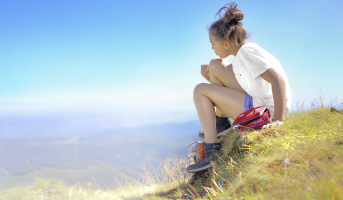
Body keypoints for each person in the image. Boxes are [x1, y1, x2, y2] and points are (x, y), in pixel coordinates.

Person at [186, 2, 292, 173]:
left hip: (264, 112)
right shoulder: (244, 52)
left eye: (213, 43)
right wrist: (212, 80)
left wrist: (278, 119)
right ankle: (220, 123)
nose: (212, 47)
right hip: (260, 102)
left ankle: (212, 150)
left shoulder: (247, 53)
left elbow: (278, 80)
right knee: (215, 65)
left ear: (226, 44)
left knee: (199, 90)